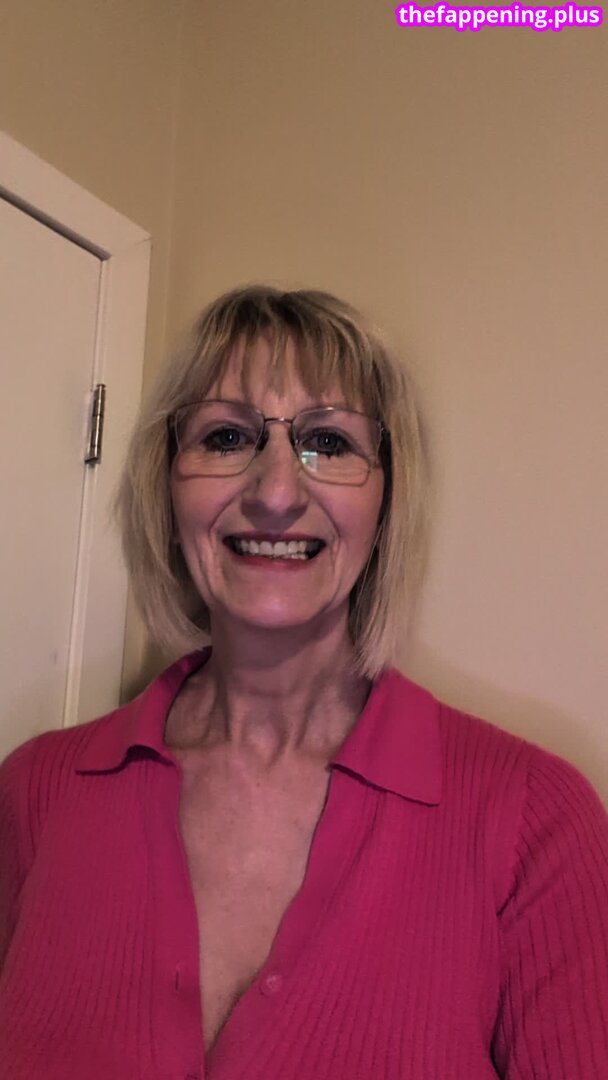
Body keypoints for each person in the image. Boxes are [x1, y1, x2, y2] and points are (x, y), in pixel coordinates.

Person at [0, 285, 607, 1080]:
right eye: (225, 436)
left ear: (387, 500)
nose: (276, 492)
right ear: (166, 487)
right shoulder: (34, 793)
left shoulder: (535, 823)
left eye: (328, 441)